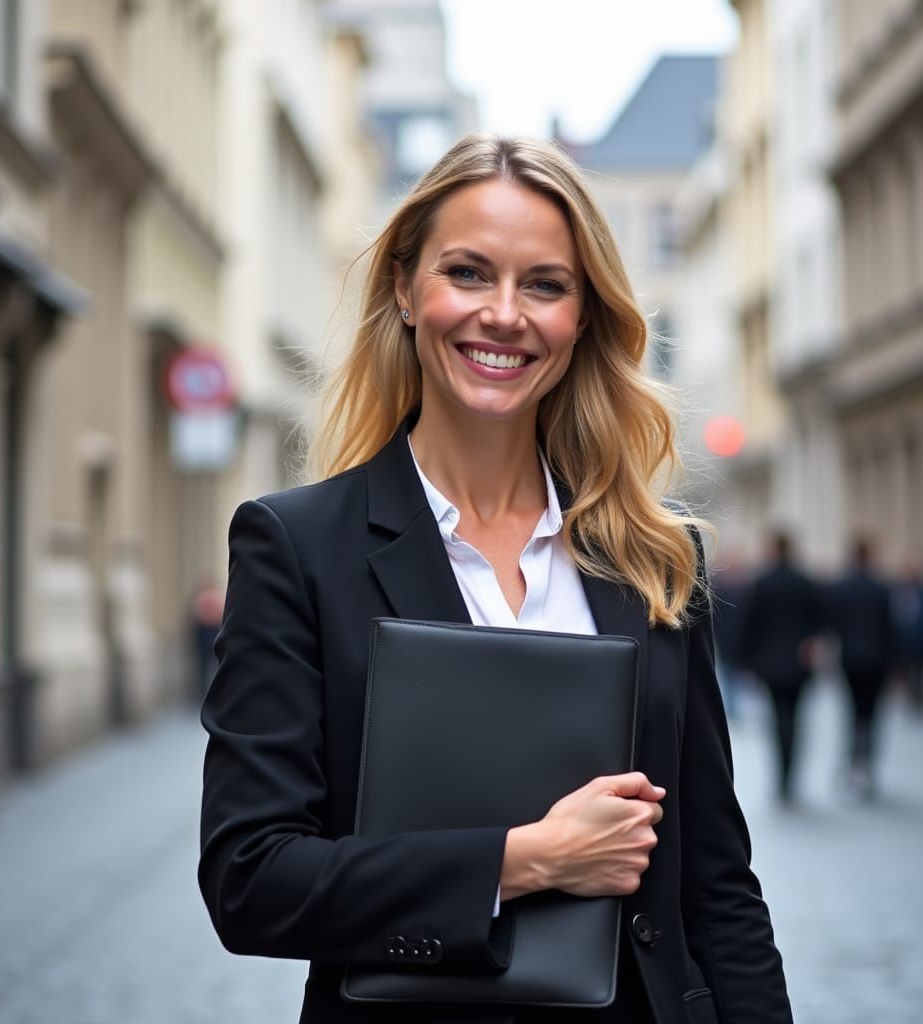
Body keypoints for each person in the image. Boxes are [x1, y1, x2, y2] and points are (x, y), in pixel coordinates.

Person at [198, 135, 791, 1024]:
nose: (505, 314)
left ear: (584, 315)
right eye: (468, 273)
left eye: (546, 285)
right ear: (405, 289)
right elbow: (252, 879)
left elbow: (716, 883)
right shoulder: (296, 547)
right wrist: (527, 858)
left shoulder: (655, 558)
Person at [738, 532, 820, 805]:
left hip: (770, 664)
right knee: (794, 720)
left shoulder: (762, 583)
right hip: (798, 664)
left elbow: (750, 623)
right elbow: (817, 623)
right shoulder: (804, 582)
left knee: (776, 720)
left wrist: (745, 660)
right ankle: (790, 774)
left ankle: (781, 775)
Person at [825, 538, 895, 799]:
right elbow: (890, 628)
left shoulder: (841, 587)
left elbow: (833, 625)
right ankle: (867, 763)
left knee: (853, 712)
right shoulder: (882, 588)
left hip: (851, 660)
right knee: (872, 714)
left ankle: (853, 762)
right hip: (877, 661)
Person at [709, 551, 751, 721]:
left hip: (738, 639)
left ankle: (735, 705)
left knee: (735, 675)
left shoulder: (744, 587)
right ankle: (732, 706)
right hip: (727, 638)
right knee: (728, 674)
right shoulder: (723, 588)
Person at [891, 557, 923, 713]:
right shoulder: (898, 590)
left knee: (920, 673)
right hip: (903, 642)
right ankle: (908, 696)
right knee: (906, 671)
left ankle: (918, 699)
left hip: (921, 641)